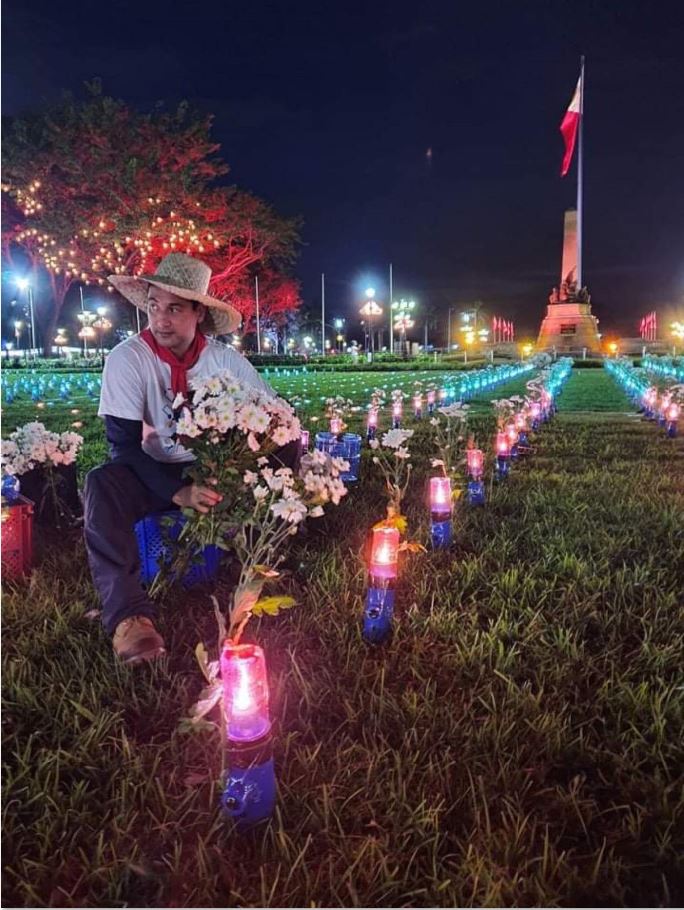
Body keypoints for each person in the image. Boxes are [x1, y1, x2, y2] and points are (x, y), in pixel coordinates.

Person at [84, 253, 292, 664]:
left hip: (213, 468)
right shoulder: (127, 359)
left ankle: (260, 559)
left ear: (199, 312)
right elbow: (123, 446)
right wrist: (177, 492)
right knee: (101, 483)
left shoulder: (227, 362)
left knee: (274, 471)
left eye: (174, 309)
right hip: (148, 468)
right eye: (154, 307)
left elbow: (279, 420)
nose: (160, 320)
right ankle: (130, 618)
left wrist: (251, 475)